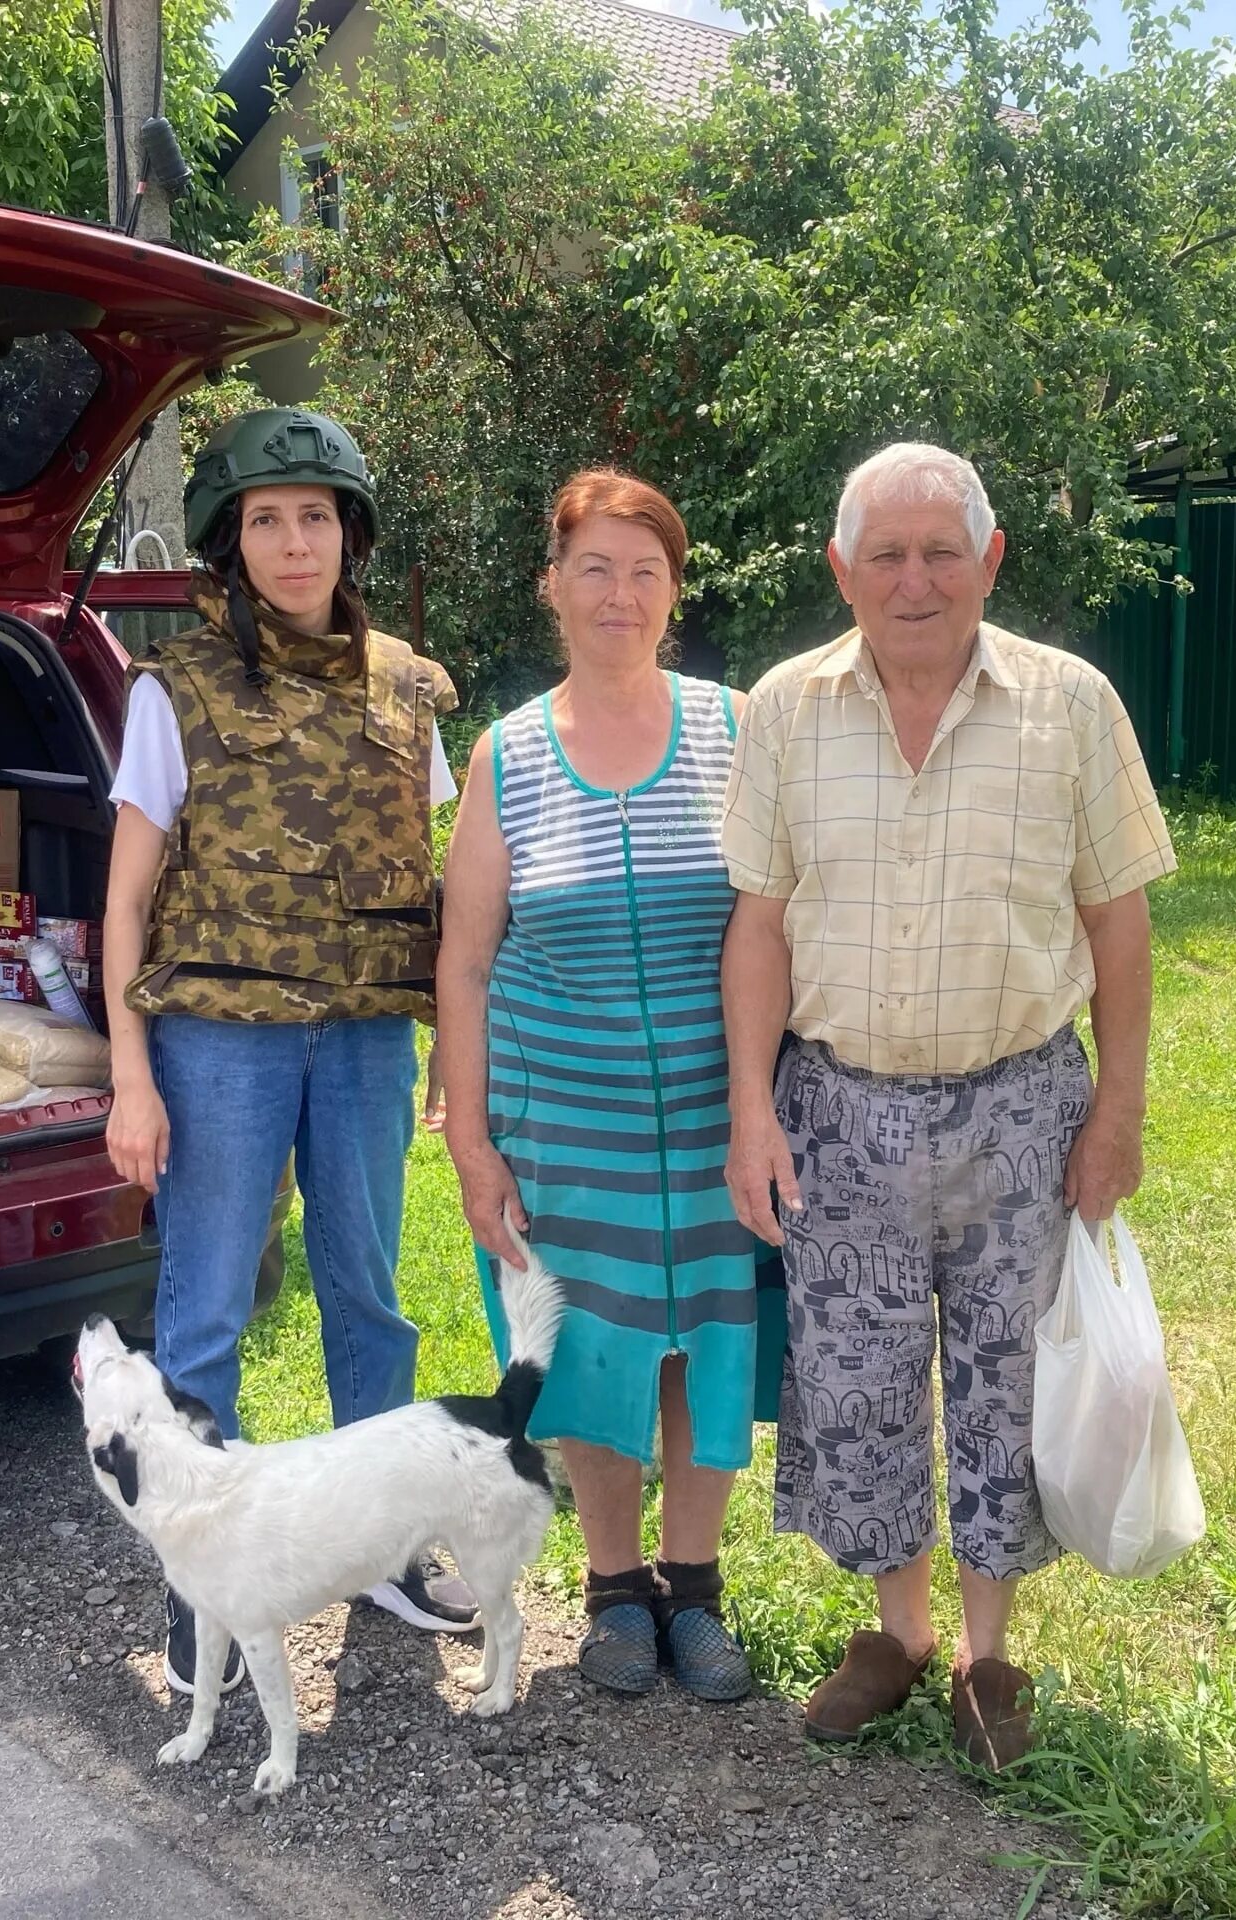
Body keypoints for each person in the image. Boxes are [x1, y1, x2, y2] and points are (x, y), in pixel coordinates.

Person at [718, 442, 1175, 1768]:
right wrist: (755, 1107)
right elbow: (757, 927)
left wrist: (1120, 1110)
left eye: (940, 552)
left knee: (1005, 1382)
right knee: (855, 1388)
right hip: (839, 1115)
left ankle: (987, 1657)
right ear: (842, 570)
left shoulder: (1071, 705)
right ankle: (896, 1632)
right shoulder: (786, 710)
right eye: (886, 554)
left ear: (990, 560)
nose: (914, 579)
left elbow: (1120, 922)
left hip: (1024, 1109)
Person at [102, 407, 476, 1699]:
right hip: (221, 1042)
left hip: (365, 1037)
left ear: (350, 534)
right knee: (203, 1311)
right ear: (229, 542)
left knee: (369, 1299)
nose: (294, 541)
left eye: (315, 516)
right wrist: (133, 1071)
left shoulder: (411, 692)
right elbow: (127, 900)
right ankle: (202, 1573)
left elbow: (439, 892)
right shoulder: (178, 690)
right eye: (267, 519)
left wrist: (449, 1057)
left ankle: (376, 1546)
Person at [437, 471, 767, 1701]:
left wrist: (760, 1103)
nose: (619, 593)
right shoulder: (508, 753)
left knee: (703, 1347)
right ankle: (613, 1592)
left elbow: (769, 927)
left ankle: (695, 1591)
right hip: (559, 1117)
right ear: (553, 588)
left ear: (675, 591)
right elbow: (464, 960)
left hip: (713, 1108)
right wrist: (471, 1143)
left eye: (644, 570)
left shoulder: (737, 730)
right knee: (589, 1349)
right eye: (594, 568)